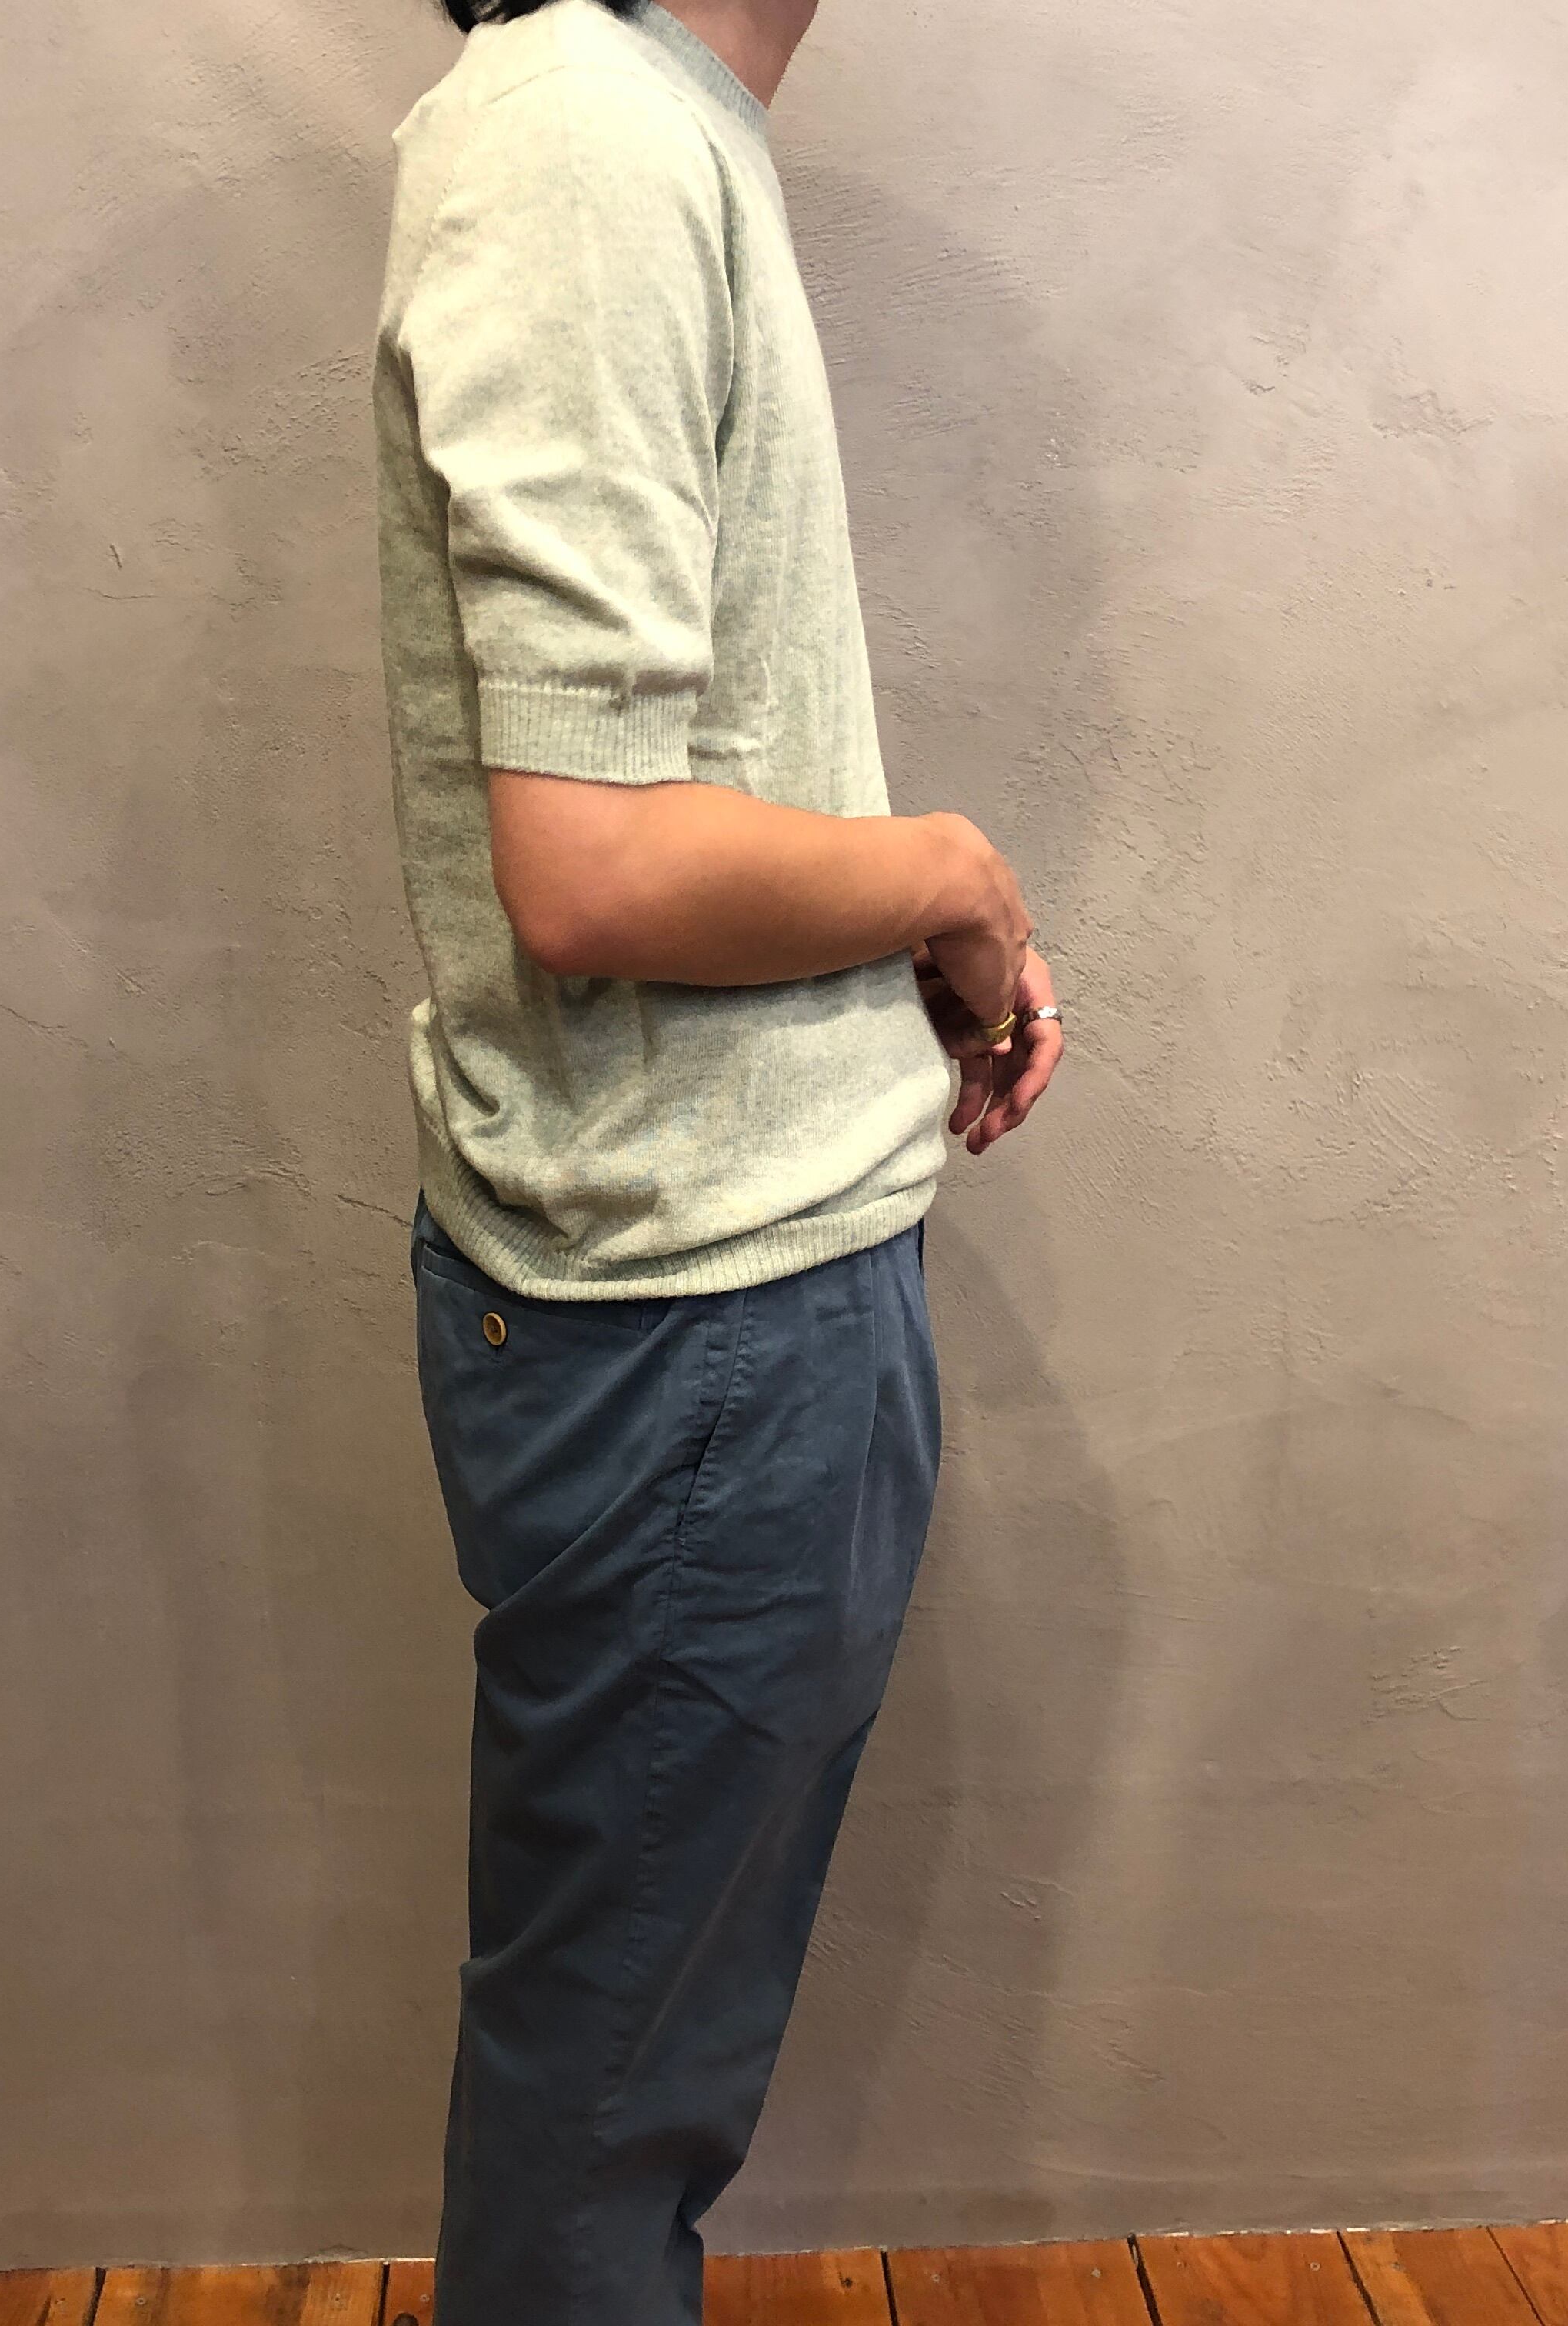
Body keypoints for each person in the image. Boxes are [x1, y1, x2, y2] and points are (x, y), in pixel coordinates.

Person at [371, 0, 1062, 2313]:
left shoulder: (645, 124)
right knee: (603, 2128)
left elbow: (663, 798)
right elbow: (594, 867)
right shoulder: (584, 129)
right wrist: (948, 874)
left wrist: (905, 929)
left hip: (722, 1306)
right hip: (704, 1327)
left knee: (615, 2096)